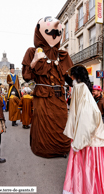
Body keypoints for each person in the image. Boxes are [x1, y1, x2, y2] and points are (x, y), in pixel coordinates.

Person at [22, 16, 73, 158]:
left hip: (59, 97)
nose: (54, 35)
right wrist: (33, 63)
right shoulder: (32, 52)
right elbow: (26, 76)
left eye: (57, 32)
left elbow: (70, 78)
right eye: (49, 31)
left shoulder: (63, 55)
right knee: (43, 123)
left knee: (61, 121)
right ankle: (43, 149)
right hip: (42, 96)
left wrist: (83, 84)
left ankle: (62, 149)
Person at [62, 65, 104, 194]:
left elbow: (87, 120)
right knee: (89, 170)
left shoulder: (81, 89)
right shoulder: (82, 88)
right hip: (86, 137)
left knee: (89, 170)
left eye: (73, 78)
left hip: (89, 140)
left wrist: (78, 142)